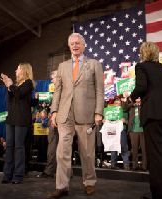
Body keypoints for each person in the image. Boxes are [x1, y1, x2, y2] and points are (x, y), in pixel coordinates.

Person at [47, 33, 104, 198]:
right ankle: (62, 186)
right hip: (65, 115)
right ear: (69, 46)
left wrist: (98, 112)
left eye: (78, 43)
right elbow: (57, 91)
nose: (75, 45)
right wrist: (54, 111)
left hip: (86, 114)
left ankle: (89, 182)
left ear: (84, 45)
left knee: (87, 152)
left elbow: (100, 91)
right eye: (72, 43)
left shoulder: (94, 64)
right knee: (62, 151)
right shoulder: (62, 66)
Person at [126, 42, 162, 199]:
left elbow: (141, 87)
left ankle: (160, 196)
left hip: (153, 115)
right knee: (161, 156)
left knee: (156, 158)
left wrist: (130, 97)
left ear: (144, 53)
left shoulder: (141, 67)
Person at [0, 63, 35, 184]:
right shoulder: (15, 85)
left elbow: (19, 94)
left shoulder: (28, 83)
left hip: (22, 119)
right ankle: (7, 174)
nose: (16, 70)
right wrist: (8, 85)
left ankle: (18, 175)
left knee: (19, 147)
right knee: (9, 146)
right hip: (11, 119)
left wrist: (10, 85)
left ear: (24, 70)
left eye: (18, 68)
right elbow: (11, 100)